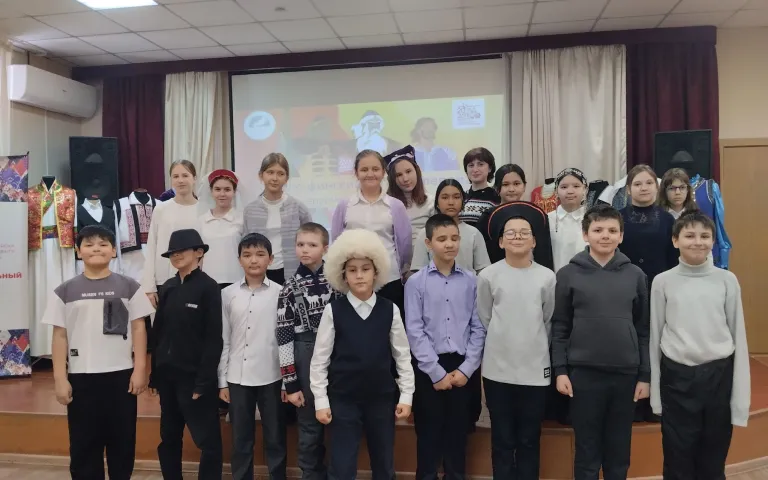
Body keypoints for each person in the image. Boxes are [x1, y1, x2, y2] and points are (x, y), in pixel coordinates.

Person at [43, 225, 154, 480]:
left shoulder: (130, 287)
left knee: (122, 440)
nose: (96, 249)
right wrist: (60, 378)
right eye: (89, 244)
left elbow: (139, 328)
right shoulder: (64, 291)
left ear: (114, 251)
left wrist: (140, 369)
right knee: (83, 443)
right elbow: (59, 336)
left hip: (121, 376)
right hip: (82, 378)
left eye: (103, 244)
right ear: (78, 251)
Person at [552, 204, 650, 480]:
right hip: (583, 374)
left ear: (621, 236)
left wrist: (644, 375)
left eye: (612, 230)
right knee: (586, 449)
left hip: (625, 374)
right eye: (597, 230)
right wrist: (560, 370)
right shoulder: (568, 274)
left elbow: (643, 329)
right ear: (585, 235)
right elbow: (560, 326)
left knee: (618, 449)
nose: (605, 236)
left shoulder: (636, 275)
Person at [650, 212, 750, 480]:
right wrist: (656, 397)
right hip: (676, 378)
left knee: (713, 459)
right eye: (689, 235)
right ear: (675, 240)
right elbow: (655, 337)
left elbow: (738, 336)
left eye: (705, 236)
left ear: (713, 241)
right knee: (677, 459)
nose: (698, 242)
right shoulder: (663, 281)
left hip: (718, 376)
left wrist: (740, 400)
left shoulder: (727, 280)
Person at [310, 229, 415, 480]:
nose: (359, 275)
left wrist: (406, 395)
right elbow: (320, 360)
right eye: (352, 270)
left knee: (384, 463)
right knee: (342, 465)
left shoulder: (390, 309)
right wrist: (321, 401)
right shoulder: (333, 311)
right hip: (343, 399)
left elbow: (402, 355)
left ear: (376, 272)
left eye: (365, 269)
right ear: (343, 275)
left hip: (381, 399)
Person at [405, 214, 487, 480]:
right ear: (429, 243)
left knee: (458, 436)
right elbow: (414, 330)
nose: (449, 244)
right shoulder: (416, 282)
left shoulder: (471, 280)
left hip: (462, 367)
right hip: (429, 367)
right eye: (442, 239)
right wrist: (435, 372)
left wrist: (467, 369)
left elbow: (478, 327)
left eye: (454, 238)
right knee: (428, 435)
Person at [478, 203, 555, 480]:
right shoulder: (488, 275)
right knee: (502, 438)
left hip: (535, 370)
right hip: (497, 370)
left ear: (534, 240)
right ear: (500, 241)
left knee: (529, 439)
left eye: (524, 232)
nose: (517, 237)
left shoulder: (547, 277)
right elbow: (485, 317)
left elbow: (548, 320)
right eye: (510, 233)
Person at [148, 229, 223, 480]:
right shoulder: (168, 287)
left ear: (199, 252)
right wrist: (155, 375)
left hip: (195, 379)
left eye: (182, 250)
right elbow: (158, 335)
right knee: (169, 437)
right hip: (168, 378)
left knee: (207, 440)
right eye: (172, 252)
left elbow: (214, 338)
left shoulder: (209, 287)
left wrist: (204, 382)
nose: (176, 255)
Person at [219, 233, 287, 480]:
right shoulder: (227, 294)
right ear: (239, 260)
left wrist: (287, 381)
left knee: (275, 438)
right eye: (247, 255)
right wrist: (222, 380)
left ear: (271, 259)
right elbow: (224, 339)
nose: (253, 260)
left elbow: (285, 339)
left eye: (260, 254)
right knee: (241, 439)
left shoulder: (281, 293)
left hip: (272, 375)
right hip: (238, 377)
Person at [277, 223, 341, 480]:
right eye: (300, 244)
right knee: (309, 426)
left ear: (325, 248)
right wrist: (290, 383)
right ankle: (311, 474)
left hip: (337, 354)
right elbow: (283, 338)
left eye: (312, 245)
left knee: (339, 422)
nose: (305, 249)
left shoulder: (338, 282)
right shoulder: (288, 288)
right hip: (303, 352)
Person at [620, 165, 677, 422]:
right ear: (628, 189)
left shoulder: (668, 220)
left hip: (659, 290)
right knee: (630, 343)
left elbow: (673, 260)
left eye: (649, 183)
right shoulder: (618, 218)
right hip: (624, 291)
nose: (643, 188)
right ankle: (632, 403)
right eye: (637, 183)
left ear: (657, 187)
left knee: (656, 343)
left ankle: (656, 403)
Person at [331, 149, 412, 314]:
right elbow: (337, 242)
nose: (370, 174)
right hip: (354, 282)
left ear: (383, 172)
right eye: (364, 169)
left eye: (375, 169)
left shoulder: (396, 206)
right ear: (356, 173)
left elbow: (404, 246)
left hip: (389, 280)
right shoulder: (345, 205)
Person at [244, 153, 313, 285]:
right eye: (270, 172)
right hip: (260, 272)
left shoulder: (298, 207)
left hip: (292, 272)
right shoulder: (250, 210)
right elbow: (245, 244)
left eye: (280, 174)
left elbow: (310, 240)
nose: (275, 178)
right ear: (261, 175)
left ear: (287, 178)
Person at [142, 160, 200, 308]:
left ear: (194, 178)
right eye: (175, 176)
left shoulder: (204, 210)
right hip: (165, 279)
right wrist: (149, 287)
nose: (180, 180)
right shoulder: (161, 209)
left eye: (185, 175)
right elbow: (151, 247)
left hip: (196, 280)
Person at [411, 179, 490, 274]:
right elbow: (418, 271)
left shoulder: (474, 233)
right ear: (437, 203)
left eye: (456, 197)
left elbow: (482, 270)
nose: (451, 202)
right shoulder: (425, 233)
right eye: (445, 197)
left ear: (463, 202)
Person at [197, 169, 246, 289]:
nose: (222, 194)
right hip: (208, 282)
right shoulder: (201, 221)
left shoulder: (242, 219)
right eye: (217, 189)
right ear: (211, 191)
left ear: (234, 191)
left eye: (227, 189)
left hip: (236, 280)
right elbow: (199, 256)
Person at [476, 164, 530, 263]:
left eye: (516, 183)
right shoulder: (488, 216)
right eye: (505, 184)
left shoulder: (533, 213)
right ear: (497, 188)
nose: (511, 189)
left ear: (524, 186)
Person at [385, 145, 433, 252]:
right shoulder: (386, 205)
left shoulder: (431, 202)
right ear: (392, 179)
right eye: (399, 175)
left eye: (408, 171)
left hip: (425, 258)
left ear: (417, 171)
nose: (405, 179)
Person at [549, 168, 588, 272]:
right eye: (564, 187)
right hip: (554, 277)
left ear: (585, 189)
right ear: (556, 191)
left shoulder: (592, 220)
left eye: (576, 186)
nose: (570, 191)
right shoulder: (547, 220)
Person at [458, 147, 500, 227]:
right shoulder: (460, 197)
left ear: (490, 168)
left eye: (480, 164)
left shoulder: (496, 198)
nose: (475, 170)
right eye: (471, 165)